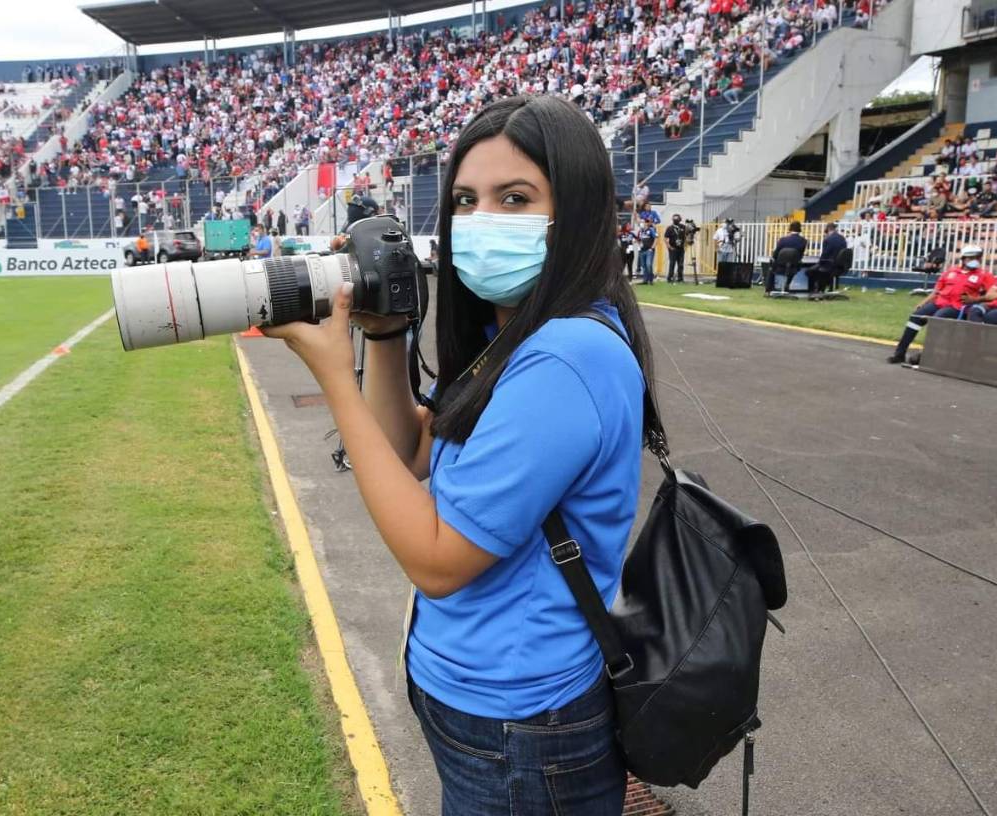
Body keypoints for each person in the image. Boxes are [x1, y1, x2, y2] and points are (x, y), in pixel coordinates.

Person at [260, 95, 647, 815]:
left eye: (515, 198)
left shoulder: (567, 357)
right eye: (466, 201)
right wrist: (384, 336)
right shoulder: (514, 338)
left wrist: (333, 378)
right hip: (481, 701)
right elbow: (408, 448)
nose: (481, 219)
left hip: (522, 720)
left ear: (578, 212)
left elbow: (438, 561)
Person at [887, 245, 988, 364]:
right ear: (964, 258)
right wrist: (923, 303)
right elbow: (936, 291)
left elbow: (990, 295)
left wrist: (975, 300)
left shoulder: (984, 275)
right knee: (915, 317)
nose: (975, 260)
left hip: (958, 306)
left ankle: (925, 355)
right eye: (971, 258)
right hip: (940, 302)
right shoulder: (951, 271)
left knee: (937, 319)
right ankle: (899, 354)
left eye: (977, 257)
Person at [769, 220, 807, 293]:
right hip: (794, 265)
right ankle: (787, 285)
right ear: (800, 229)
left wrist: (774, 259)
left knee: (771, 267)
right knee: (792, 268)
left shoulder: (782, 240)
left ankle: (769, 289)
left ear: (790, 228)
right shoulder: (803, 241)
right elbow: (800, 255)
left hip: (780, 264)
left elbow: (775, 254)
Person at [810, 222, 847, 294]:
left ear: (828, 229)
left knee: (810, 271)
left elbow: (825, 254)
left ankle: (816, 290)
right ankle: (827, 287)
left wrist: (819, 262)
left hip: (830, 264)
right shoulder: (842, 238)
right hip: (841, 265)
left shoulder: (827, 239)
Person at [664, 214, 687, 283]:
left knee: (680, 264)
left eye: (677, 219)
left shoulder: (683, 227)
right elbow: (665, 238)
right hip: (673, 248)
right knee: (672, 263)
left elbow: (687, 236)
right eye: (675, 219)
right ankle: (670, 278)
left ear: (680, 219)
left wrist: (685, 245)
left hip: (681, 248)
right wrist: (669, 246)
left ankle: (680, 278)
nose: (676, 220)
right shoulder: (669, 228)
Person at [637, 214, 658, 284]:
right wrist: (639, 244)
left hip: (649, 250)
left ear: (646, 223)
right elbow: (638, 239)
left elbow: (656, 238)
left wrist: (652, 247)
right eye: (641, 222)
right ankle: (645, 280)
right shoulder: (640, 231)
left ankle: (651, 279)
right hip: (642, 250)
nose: (641, 224)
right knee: (643, 266)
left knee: (648, 264)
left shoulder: (651, 230)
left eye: (643, 222)